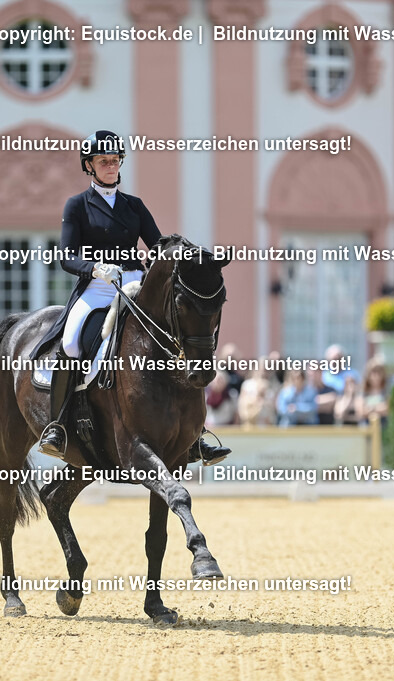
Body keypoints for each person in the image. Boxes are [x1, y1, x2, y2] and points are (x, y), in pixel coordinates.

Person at [33, 130, 229, 465]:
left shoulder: (133, 206)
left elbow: (157, 245)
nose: (110, 166)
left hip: (135, 286)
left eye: (115, 160)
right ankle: (58, 426)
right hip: (97, 288)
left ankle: (195, 435)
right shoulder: (77, 205)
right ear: (90, 166)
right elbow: (66, 256)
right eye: (103, 161)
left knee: (175, 339)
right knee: (70, 343)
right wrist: (95, 268)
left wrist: (190, 257)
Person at [237, 360, 279, 426]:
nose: (264, 372)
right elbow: (242, 404)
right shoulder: (247, 385)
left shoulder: (273, 386)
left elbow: (274, 406)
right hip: (250, 422)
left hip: (267, 423)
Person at [356, 358, 389, 424]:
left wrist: (370, 408)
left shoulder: (386, 390)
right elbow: (361, 412)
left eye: (379, 372)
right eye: (373, 372)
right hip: (366, 429)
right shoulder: (363, 392)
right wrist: (378, 408)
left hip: (383, 428)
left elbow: (388, 409)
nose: (376, 376)